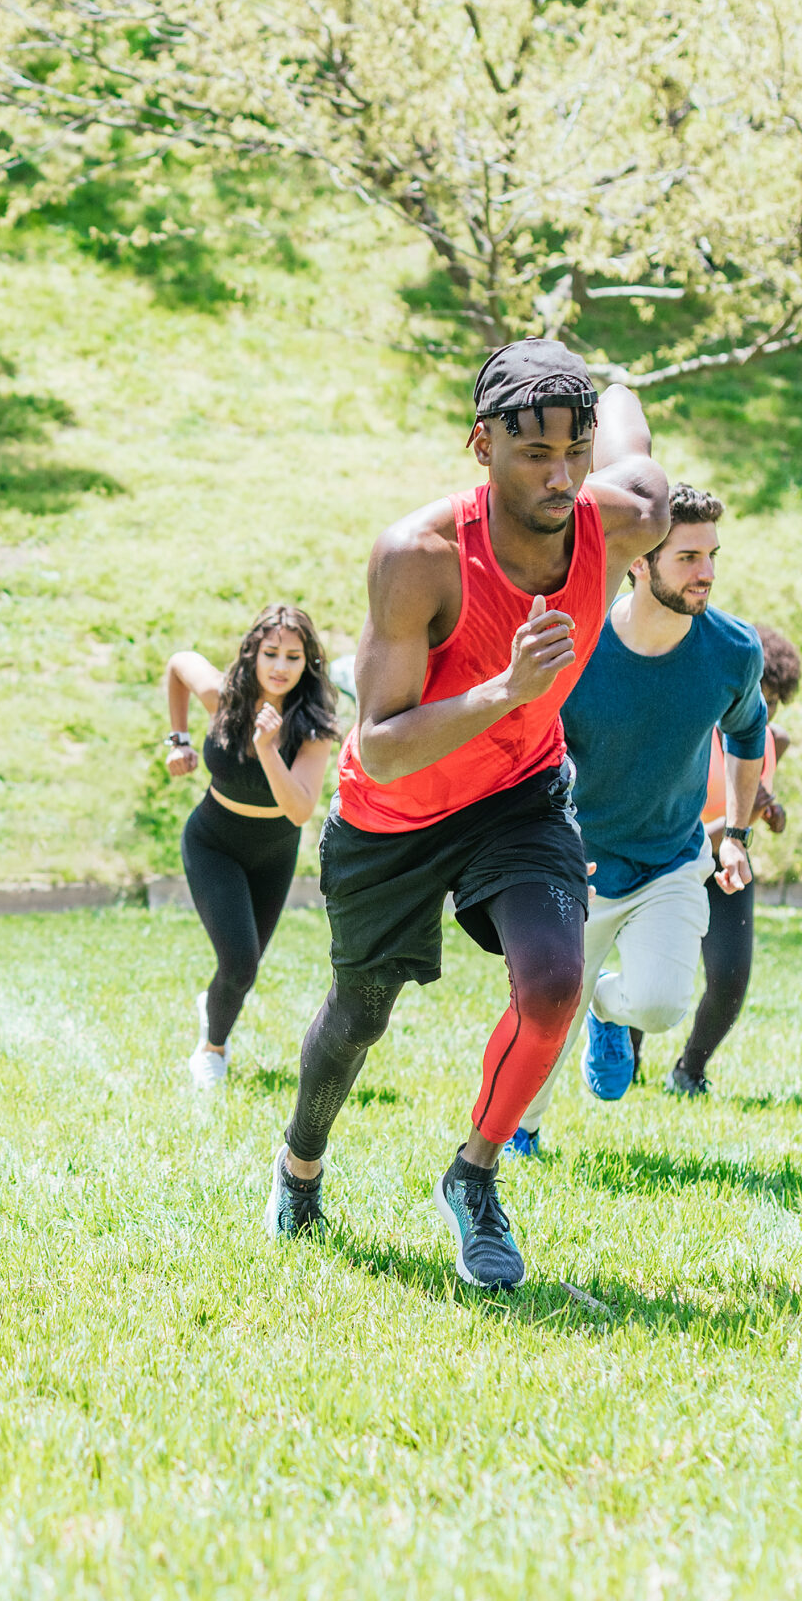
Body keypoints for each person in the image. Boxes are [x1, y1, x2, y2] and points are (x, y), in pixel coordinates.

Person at [265, 338, 670, 1293]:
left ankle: (475, 1174)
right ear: (479, 445)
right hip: (396, 812)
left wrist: (606, 388)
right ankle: (300, 1164)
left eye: (575, 449)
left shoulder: (621, 519)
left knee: (553, 983)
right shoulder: (420, 557)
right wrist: (504, 688)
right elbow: (385, 740)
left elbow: (638, 449)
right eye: (536, 454)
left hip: (518, 792)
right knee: (360, 1016)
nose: (563, 475)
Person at [504, 485, 767, 1157]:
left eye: (711, 555)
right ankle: (521, 1132)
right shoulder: (579, 645)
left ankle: (607, 1009)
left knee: (658, 1003)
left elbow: (747, 733)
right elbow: (520, 742)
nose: (706, 571)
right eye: (687, 557)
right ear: (639, 564)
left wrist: (734, 832)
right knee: (543, 1017)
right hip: (576, 864)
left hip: (672, 860)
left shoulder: (732, 650)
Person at [161, 606, 341, 1086]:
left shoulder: (314, 725)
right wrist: (177, 740)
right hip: (213, 843)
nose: (280, 667)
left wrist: (268, 749)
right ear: (253, 653)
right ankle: (211, 1050)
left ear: (308, 664)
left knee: (244, 970)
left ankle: (214, 1006)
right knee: (239, 964)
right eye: (271, 653)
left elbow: (300, 810)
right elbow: (180, 662)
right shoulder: (225, 700)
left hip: (274, 852)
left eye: (293, 656)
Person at [644, 623, 802, 1095]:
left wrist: (771, 812)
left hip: (729, 868)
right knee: (656, 972)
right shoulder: (692, 732)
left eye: (774, 702)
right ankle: (625, 1057)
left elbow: (758, 797)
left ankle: (690, 1070)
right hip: (674, 863)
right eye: (759, 695)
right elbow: (679, 828)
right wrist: (740, 818)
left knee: (731, 979)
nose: (764, 710)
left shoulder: (775, 740)